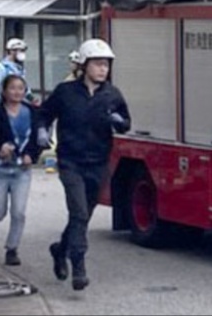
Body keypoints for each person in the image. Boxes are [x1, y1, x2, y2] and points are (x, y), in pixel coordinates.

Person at [40, 39, 131, 291]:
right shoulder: (65, 92)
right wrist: (41, 130)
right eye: (98, 64)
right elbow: (44, 113)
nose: (103, 69)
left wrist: (118, 121)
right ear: (84, 65)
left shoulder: (112, 94)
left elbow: (126, 122)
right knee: (79, 212)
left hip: (99, 163)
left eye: (106, 65)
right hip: (71, 162)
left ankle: (60, 250)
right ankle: (78, 266)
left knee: (83, 216)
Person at [0, 74, 45, 266]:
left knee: (18, 212)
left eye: (21, 88)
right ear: (4, 92)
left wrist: (32, 155)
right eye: (12, 88)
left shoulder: (32, 113)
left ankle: (12, 249)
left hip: (22, 172)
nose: (17, 92)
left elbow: (40, 137)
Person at [0, 38, 33, 107]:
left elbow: (24, 88)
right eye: (20, 50)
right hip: (4, 105)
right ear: (11, 51)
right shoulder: (0, 67)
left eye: (23, 51)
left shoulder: (20, 69)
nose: (22, 53)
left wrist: (32, 99)